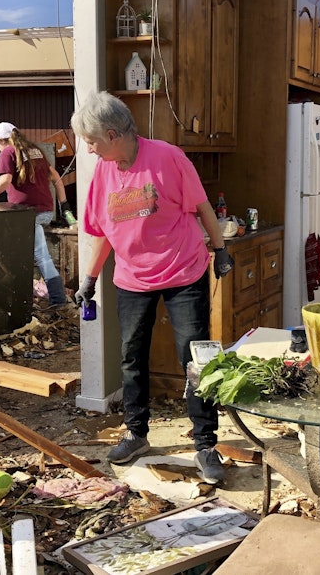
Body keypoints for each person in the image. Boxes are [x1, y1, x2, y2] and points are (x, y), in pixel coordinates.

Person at [71, 91, 234, 484]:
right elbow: (103, 234)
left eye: (91, 142)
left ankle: (206, 443)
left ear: (112, 135)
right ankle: (136, 433)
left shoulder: (168, 158)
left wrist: (220, 249)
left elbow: (202, 208)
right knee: (131, 355)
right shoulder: (103, 175)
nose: (89, 150)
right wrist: (89, 279)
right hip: (131, 278)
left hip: (183, 271)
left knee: (196, 358)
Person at [0, 122, 70, 306]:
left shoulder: (8, 152)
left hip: (25, 214)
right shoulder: (34, 150)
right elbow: (58, 180)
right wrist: (65, 207)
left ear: (2, 140)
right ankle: (27, 296)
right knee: (23, 253)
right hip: (45, 211)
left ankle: (56, 299)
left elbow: (5, 181)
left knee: (40, 256)